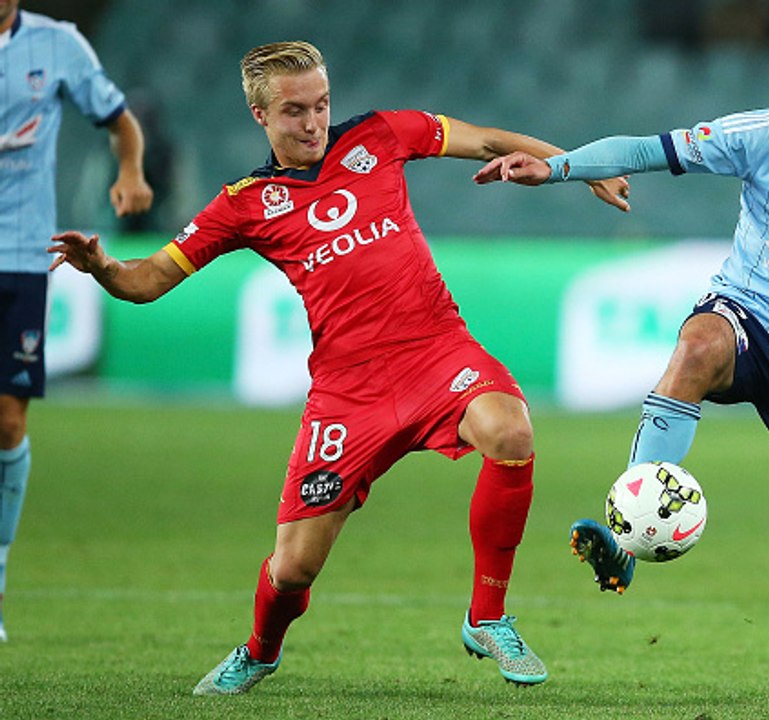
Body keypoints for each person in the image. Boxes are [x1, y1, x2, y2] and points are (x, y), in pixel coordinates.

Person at [48, 41, 628, 694]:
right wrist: (102, 267)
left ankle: (486, 617)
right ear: (259, 115)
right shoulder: (245, 202)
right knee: (293, 569)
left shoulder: (380, 135)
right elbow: (149, 280)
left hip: (437, 352)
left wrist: (577, 167)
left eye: (322, 105)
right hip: (348, 396)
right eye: (295, 111)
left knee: (512, 432)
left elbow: (491, 140)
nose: (314, 122)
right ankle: (261, 650)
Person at [476, 29, 769, 704]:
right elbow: (644, 149)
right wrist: (555, 168)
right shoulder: (765, 135)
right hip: (749, 317)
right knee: (696, 347)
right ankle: (625, 537)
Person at [0, 0, 153, 643]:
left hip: (21, 255)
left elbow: (120, 122)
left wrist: (131, 172)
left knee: (8, 421)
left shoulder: (57, 44)